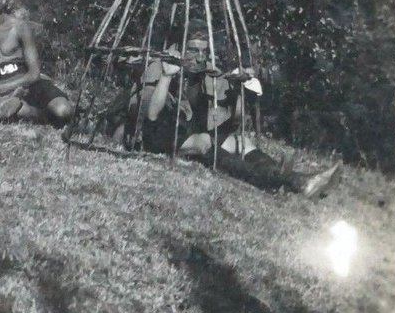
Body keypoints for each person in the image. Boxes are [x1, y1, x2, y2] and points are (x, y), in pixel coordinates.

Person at [134, 21, 340, 198]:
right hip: (156, 136)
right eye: (193, 50)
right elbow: (151, 116)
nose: (199, 57)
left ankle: (289, 178)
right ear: (179, 49)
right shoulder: (160, 67)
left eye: (204, 51)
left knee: (239, 141)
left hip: (188, 134)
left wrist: (240, 90)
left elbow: (234, 122)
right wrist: (167, 76)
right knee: (204, 141)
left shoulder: (207, 74)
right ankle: (278, 179)